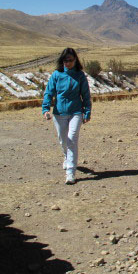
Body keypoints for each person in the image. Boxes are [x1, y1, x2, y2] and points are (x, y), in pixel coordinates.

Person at [42, 47, 92, 184]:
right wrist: (45, 109)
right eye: (65, 60)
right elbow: (49, 92)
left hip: (76, 111)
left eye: (70, 60)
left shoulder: (80, 76)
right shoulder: (56, 75)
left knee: (71, 139)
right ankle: (66, 156)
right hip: (59, 113)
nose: (67, 63)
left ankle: (70, 172)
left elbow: (86, 95)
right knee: (63, 140)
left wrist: (87, 111)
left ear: (75, 60)